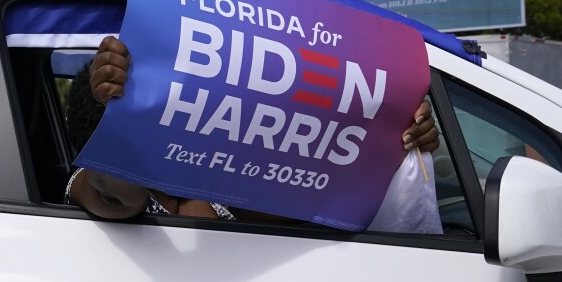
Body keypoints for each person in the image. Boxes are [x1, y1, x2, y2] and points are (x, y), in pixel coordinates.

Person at [68, 35, 442, 232]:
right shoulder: (91, 183)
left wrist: (397, 134)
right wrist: (117, 112)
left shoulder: (220, 177)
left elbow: (320, 195)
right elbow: (117, 191)